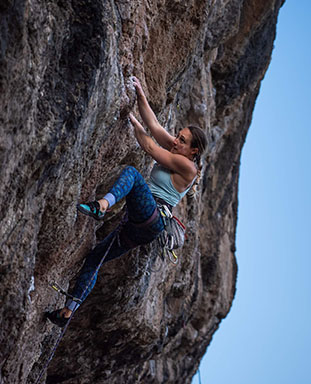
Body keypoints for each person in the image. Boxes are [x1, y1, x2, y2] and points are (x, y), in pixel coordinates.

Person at [45, 77, 207, 327]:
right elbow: (153, 126)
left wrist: (132, 121)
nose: (176, 140)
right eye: (178, 136)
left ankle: (101, 205)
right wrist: (140, 94)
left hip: (152, 215)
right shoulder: (177, 151)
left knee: (132, 174)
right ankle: (67, 312)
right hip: (142, 227)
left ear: (193, 151)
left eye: (183, 141)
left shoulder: (187, 166)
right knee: (95, 257)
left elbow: (151, 149)